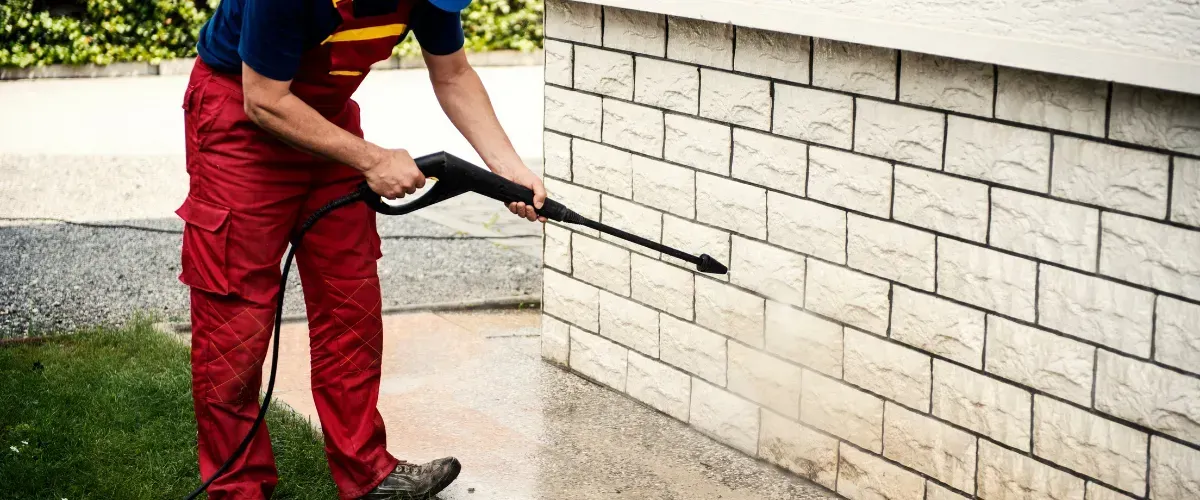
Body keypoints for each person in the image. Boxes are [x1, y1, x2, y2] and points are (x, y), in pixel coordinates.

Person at [177, 0, 546, 498]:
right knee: (235, 320)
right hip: (241, 121)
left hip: (326, 119)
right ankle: (236, 489)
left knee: (349, 302)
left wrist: (508, 170)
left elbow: (454, 74)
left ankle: (368, 474)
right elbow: (262, 99)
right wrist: (372, 159)